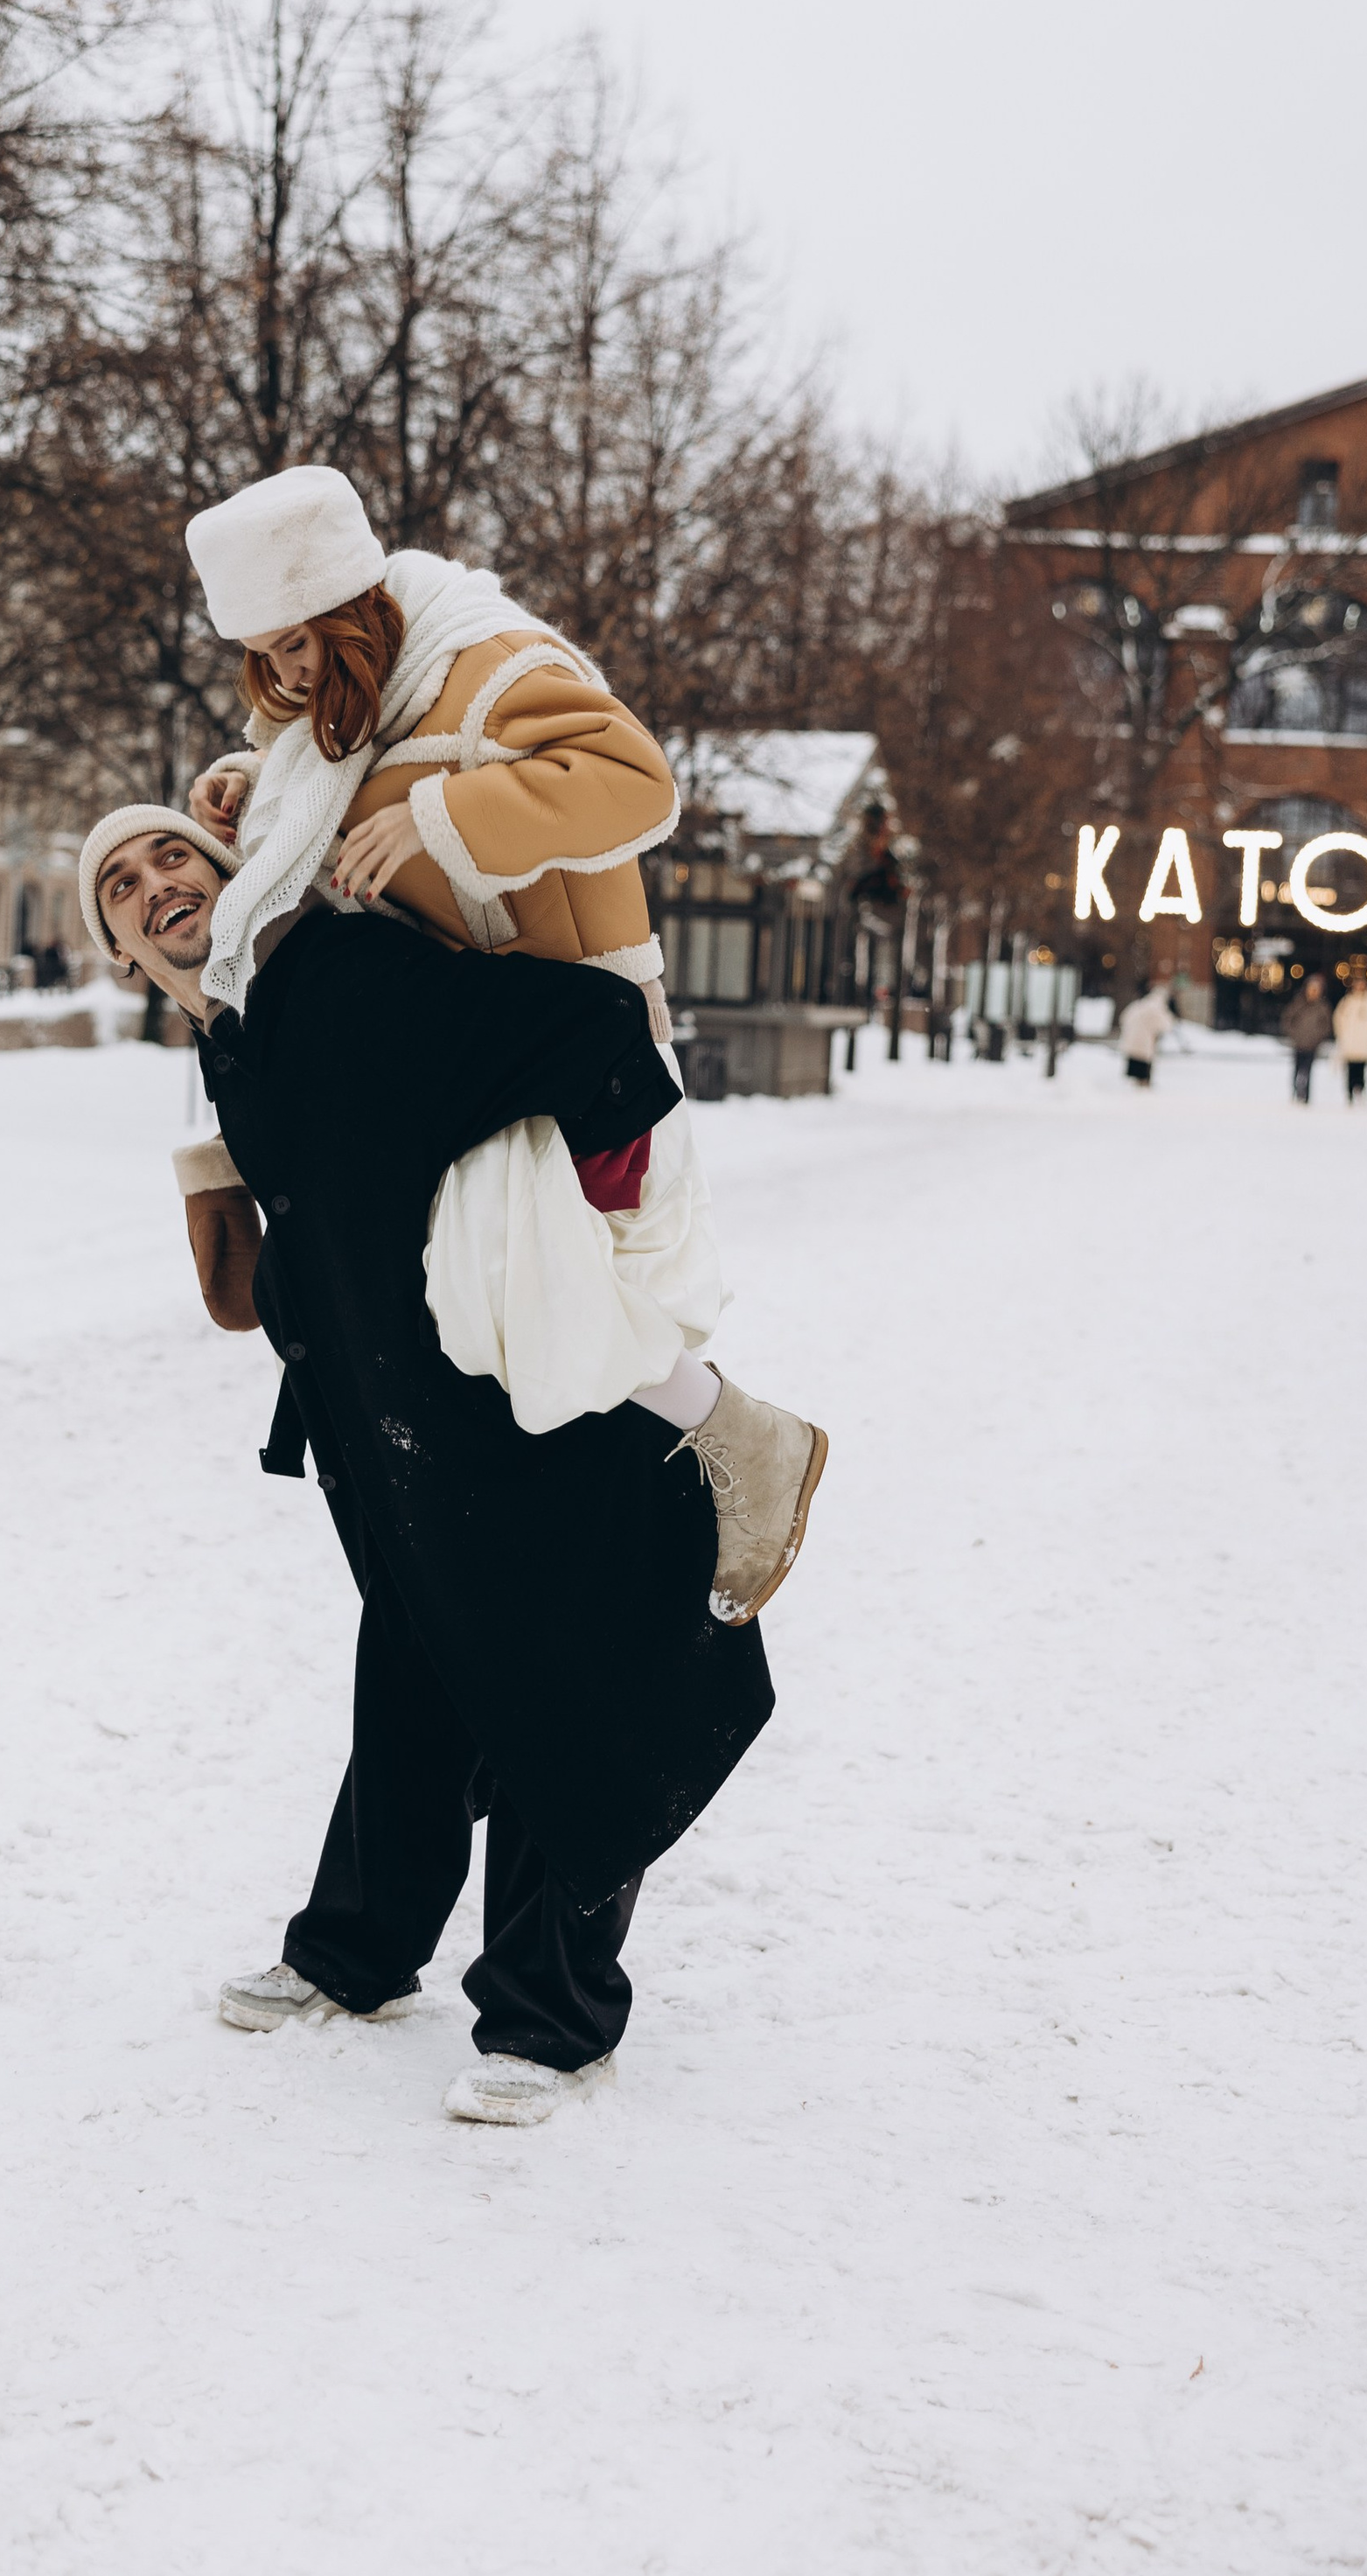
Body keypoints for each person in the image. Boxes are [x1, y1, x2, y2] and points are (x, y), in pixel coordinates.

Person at [82, 806, 826, 2130]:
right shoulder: (244, 1039)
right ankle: (356, 1955)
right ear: (125, 956)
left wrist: (591, 1252)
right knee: (414, 1691)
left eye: (171, 857)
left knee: (564, 1696)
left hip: (535, 1424)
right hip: (410, 1445)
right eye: (122, 891)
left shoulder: (335, 976)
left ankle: (552, 2020)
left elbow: (593, 1036)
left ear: (233, 868)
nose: (155, 889)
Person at [170, 465, 731, 1447]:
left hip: (582, 1048)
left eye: (297, 644)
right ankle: (666, 1516)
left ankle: (732, 1459)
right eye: (265, 657)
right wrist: (245, 784)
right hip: (471, 1058)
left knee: (560, 1313)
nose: (291, 676)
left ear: (347, 608)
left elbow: (637, 783)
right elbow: (322, 780)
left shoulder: (489, 666)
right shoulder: (349, 705)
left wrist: (442, 819)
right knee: (500, 1330)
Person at [1331, 970, 1367, 1104]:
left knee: (1361, 1068)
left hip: (1364, 1042)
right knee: (1350, 1068)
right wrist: (1342, 1034)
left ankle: (1360, 1090)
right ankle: (1349, 1092)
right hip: (1350, 1041)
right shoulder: (1348, 1002)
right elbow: (1339, 1019)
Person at [1281, 972, 1334, 1104]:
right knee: (1297, 1069)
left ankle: (1306, 1095)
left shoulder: (1323, 1007)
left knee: (1308, 1070)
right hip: (1298, 1043)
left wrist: (1318, 1037)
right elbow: (1287, 1019)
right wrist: (1294, 1035)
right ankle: (1295, 1092)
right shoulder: (1298, 1004)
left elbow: (1326, 1025)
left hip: (1312, 1044)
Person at [1117, 978, 1177, 1087]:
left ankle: (1136, 1084)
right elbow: (1165, 1024)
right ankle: (1142, 1085)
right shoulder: (1157, 1008)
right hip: (1144, 1041)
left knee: (1135, 1061)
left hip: (1131, 1037)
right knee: (1143, 1062)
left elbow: (1124, 1018)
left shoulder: (1139, 1004)